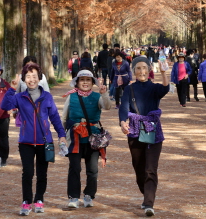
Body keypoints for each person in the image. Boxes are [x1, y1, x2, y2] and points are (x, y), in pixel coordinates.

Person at [1, 63, 67, 216]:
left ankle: (39, 199)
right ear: (24, 79)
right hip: (26, 141)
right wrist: (11, 88)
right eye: (28, 77)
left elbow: (55, 118)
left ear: (39, 78)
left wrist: (61, 135)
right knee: (28, 172)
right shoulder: (19, 97)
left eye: (34, 76)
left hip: (45, 141)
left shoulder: (47, 97)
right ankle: (26, 202)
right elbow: (5, 105)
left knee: (42, 173)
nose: (31, 79)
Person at [119, 56, 169, 217]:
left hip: (153, 130)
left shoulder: (154, 88)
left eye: (144, 68)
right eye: (138, 68)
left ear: (149, 70)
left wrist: (163, 73)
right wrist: (122, 122)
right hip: (134, 131)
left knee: (150, 169)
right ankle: (146, 194)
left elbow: (165, 89)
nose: (141, 71)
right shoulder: (129, 88)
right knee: (139, 168)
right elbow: (123, 107)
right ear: (134, 71)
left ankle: (149, 203)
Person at [62, 69, 111, 209]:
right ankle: (73, 197)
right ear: (77, 82)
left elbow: (107, 106)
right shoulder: (71, 97)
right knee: (74, 168)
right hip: (75, 137)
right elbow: (64, 118)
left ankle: (89, 195)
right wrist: (63, 136)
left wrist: (105, 94)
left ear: (92, 82)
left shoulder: (97, 97)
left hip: (93, 138)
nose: (85, 82)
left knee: (92, 169)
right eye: (82, 79)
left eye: (88, 80)